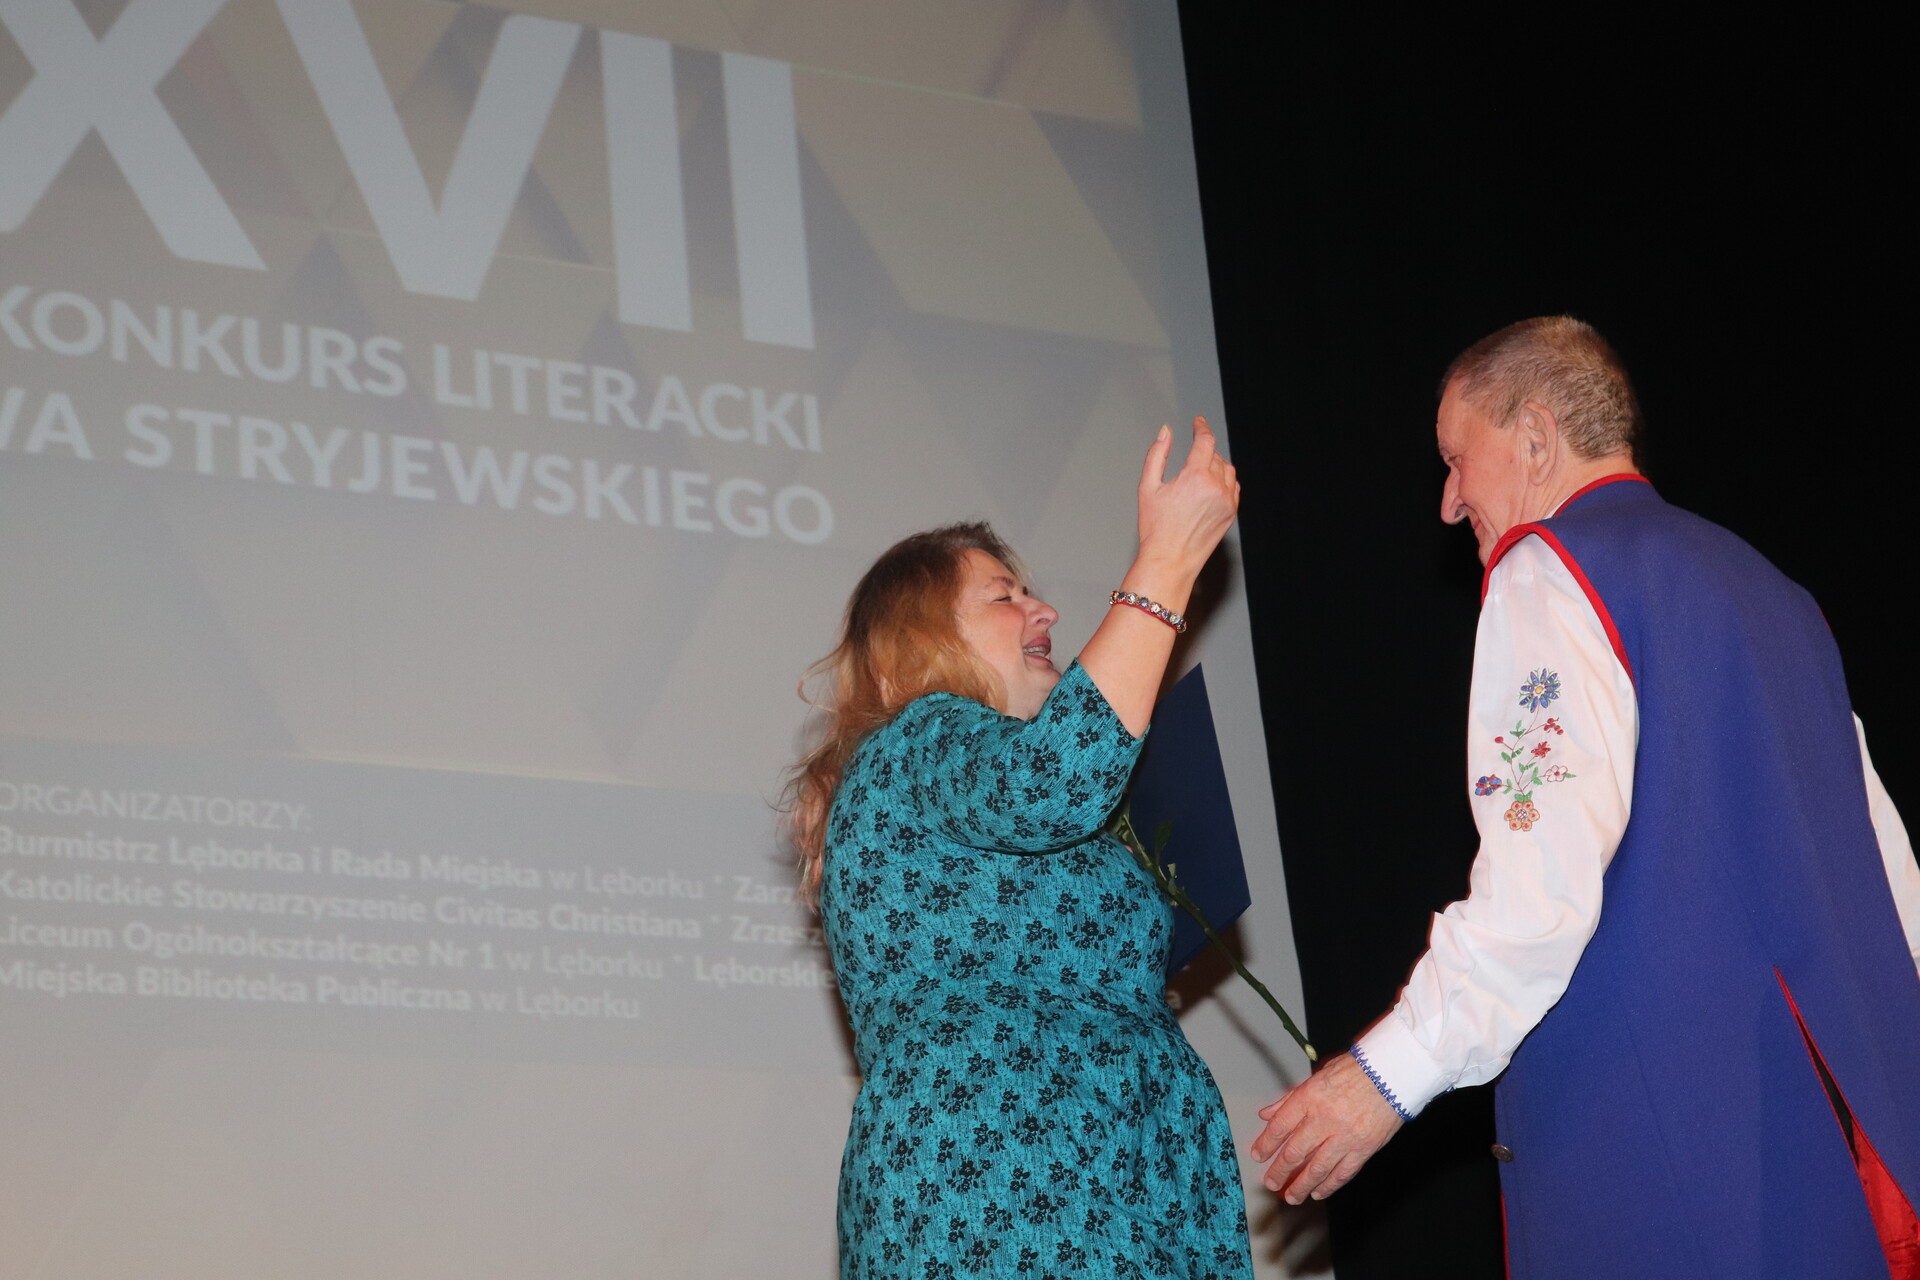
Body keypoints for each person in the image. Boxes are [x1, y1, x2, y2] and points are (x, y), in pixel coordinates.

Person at [1251, 317, 1920, 1279]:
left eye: (1456, 459)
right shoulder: (1777, 594)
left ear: (1535, 436)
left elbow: (1538, 886)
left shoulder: (1549, 571)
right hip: (1831, 1145)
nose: (1448, 501)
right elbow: (1887, 881)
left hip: (1670, 1151)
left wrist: (1383, 1077)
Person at [789, 419, 1250, 1279]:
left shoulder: (988, 786)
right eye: (1003, 596)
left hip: (1123, 1169)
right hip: (1002, 1178)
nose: (1044, 610)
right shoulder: (917, 738)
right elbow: (1052, 780)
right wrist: (1166, 564)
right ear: (912, 650)